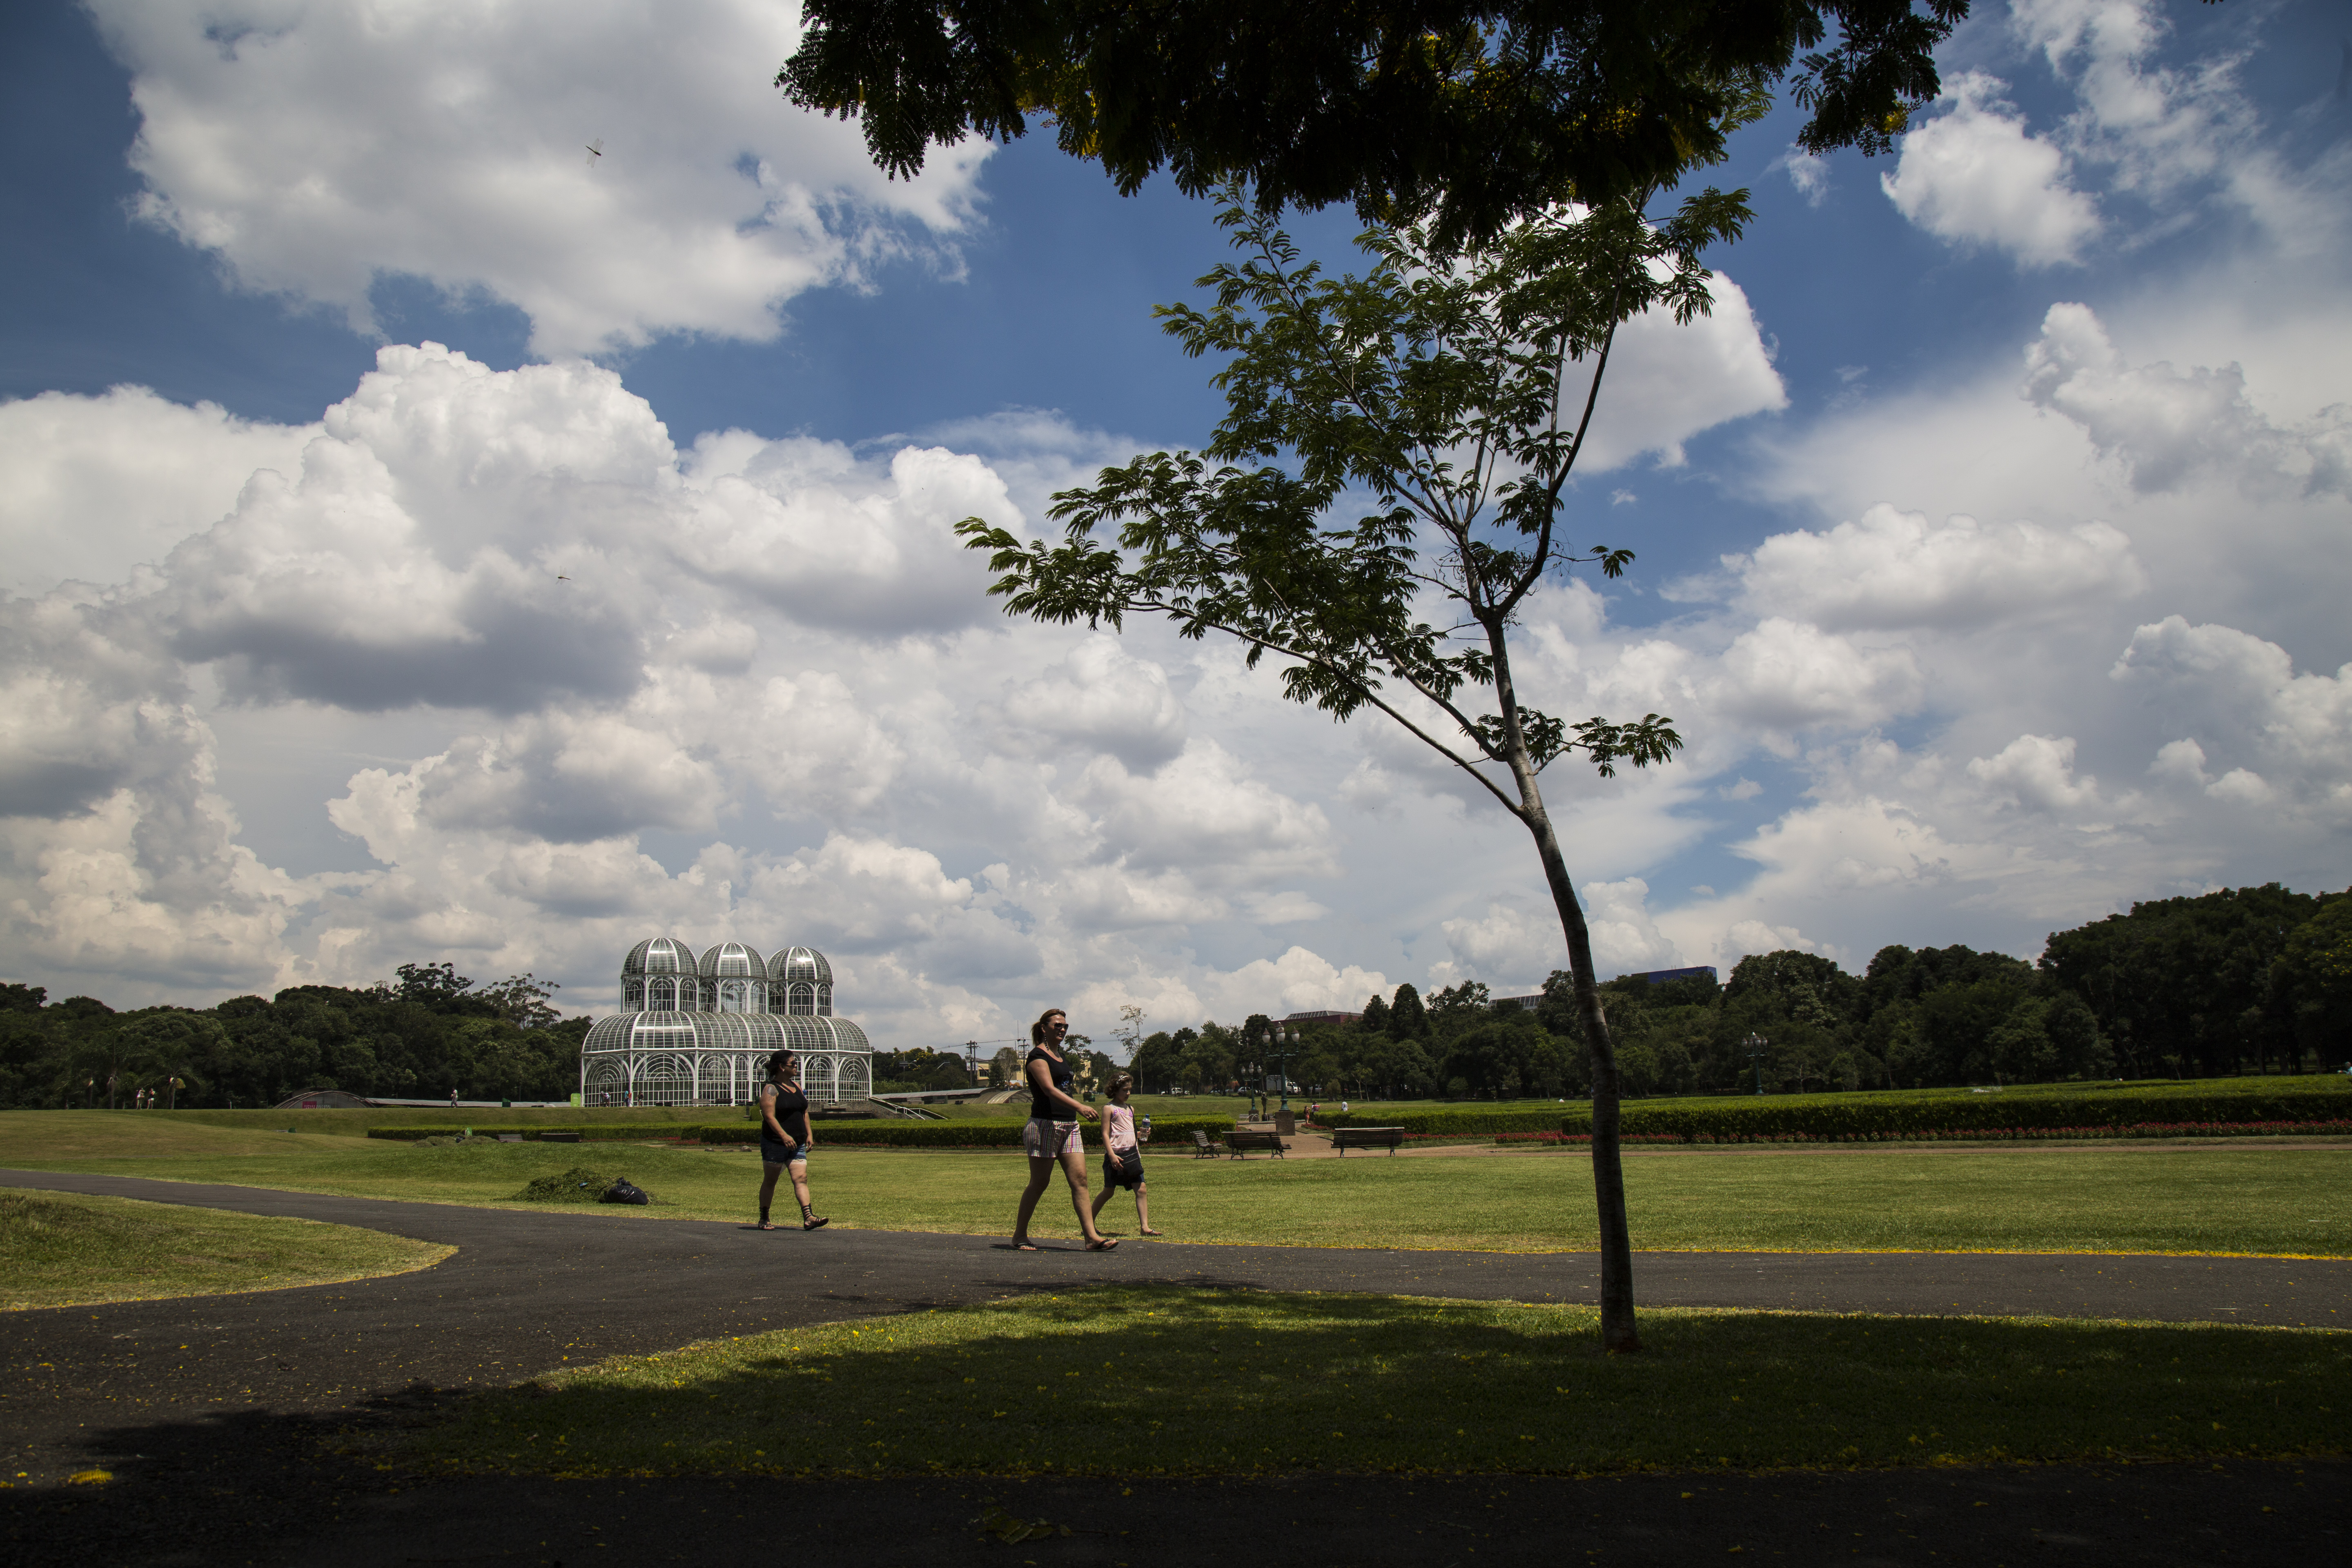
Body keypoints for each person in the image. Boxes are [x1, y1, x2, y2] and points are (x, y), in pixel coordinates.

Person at [1011, 1009, 1115, 1252]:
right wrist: (1080, 1106)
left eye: (1065, 1026)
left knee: (1080, 1180)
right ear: (1044, 1027)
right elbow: (1048, 1089)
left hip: (1069, 1126)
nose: (1063, 1029)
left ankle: (1091, 1238)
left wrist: (1076, 1110)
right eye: (1058, 1025)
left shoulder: (1060, 1056)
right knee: (1040, 1182)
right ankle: (1019, 1235)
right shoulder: (1038, 1056)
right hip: (1044, 1125)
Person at [756, 1049, 828, 1232]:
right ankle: (764, 1217)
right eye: (792, 1064)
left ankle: (809, 1218)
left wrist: (809, 1134)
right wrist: (784, 1136)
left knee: (801, 1178)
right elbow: (769, 1116)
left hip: (798, 1143)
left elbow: (804, 1112)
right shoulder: (771, 1089)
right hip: (775, 1143)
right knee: (771, 1180)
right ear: (781, 1067)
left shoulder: (796, 1087)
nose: (796, 1066)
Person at [1090, 1074, 1159, 1236]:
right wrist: (1112, 1155)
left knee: (1141, 1190)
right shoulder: (1109, 1109)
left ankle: (1145, 1228)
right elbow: (1106, 1134)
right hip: (1116, 1157)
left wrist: (1142, 1133)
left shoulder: (1130, 1109)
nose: (1128, 1093)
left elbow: (1128, 1132)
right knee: (1108, 1191)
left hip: (1132, 1156)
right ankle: (1088, 1223)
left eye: (1130, 1090)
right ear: (1115, 1090)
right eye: (1124, 1090)